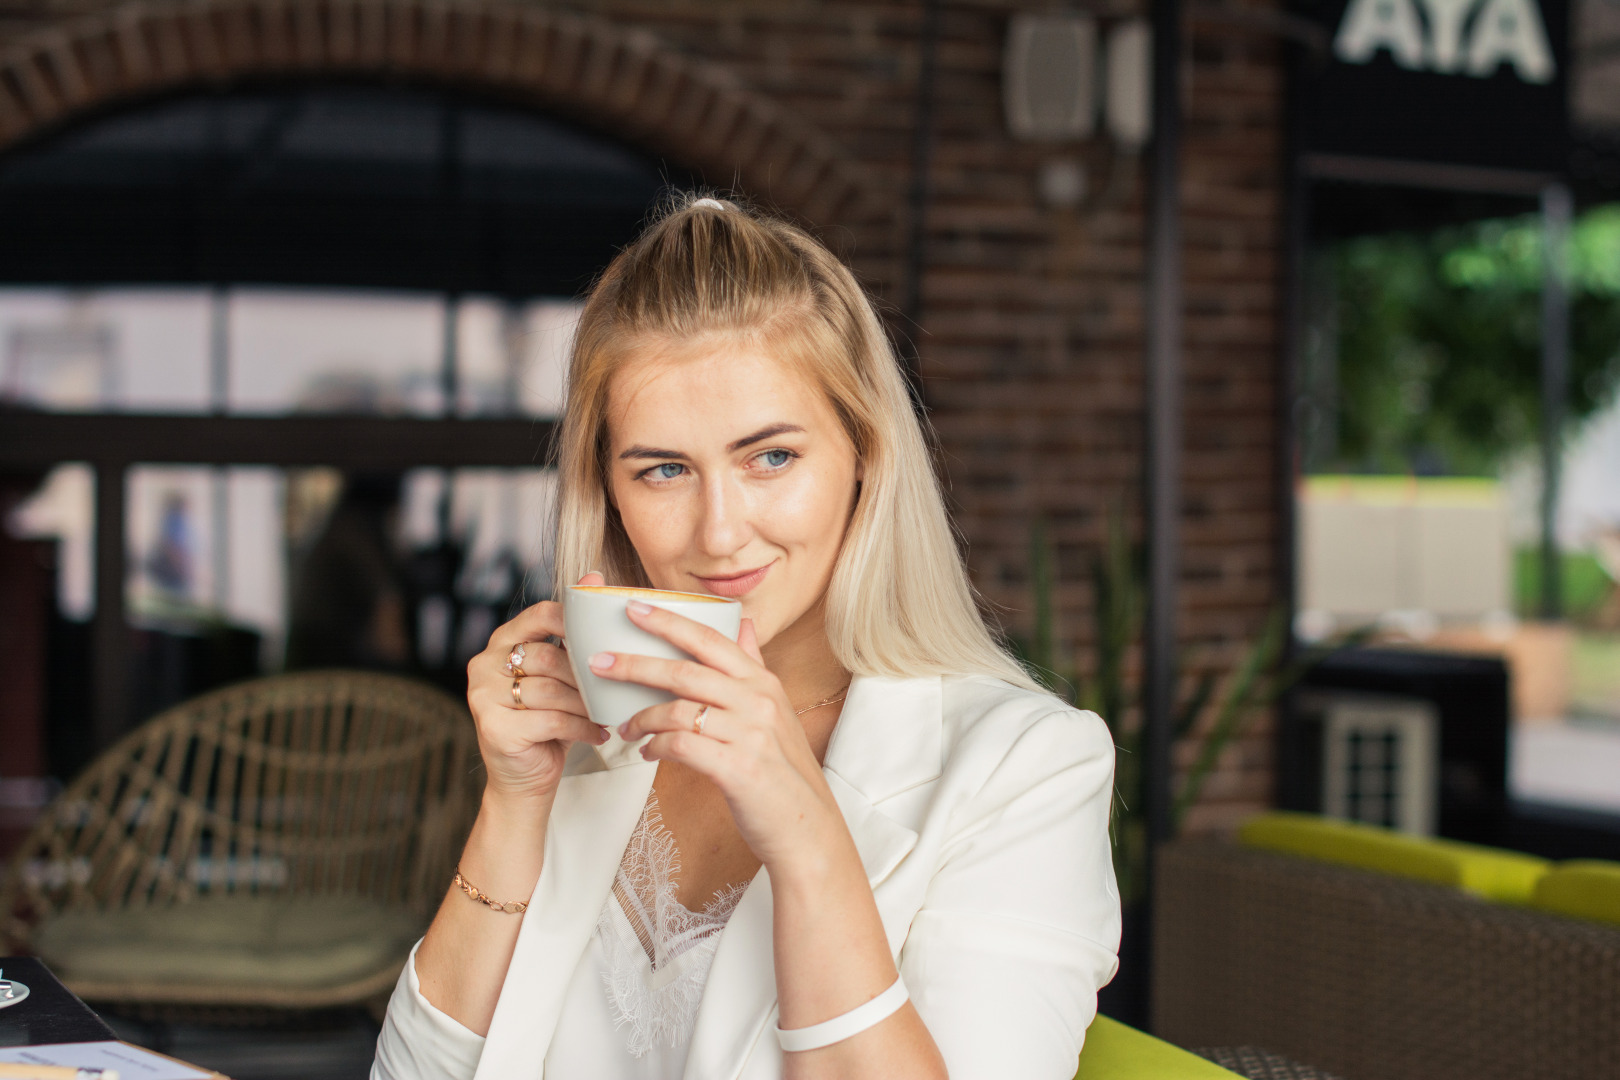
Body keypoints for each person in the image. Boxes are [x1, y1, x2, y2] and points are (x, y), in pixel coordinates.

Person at [372, 195, 1120, 1080]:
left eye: (771, 457)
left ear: (865, 457)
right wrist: (512, 802)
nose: (720, 532)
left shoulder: (1025, 768)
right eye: (663, 470)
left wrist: (804, 833)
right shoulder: (596, 733)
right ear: (608, 491)